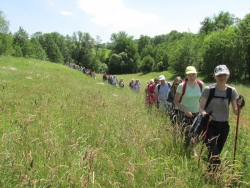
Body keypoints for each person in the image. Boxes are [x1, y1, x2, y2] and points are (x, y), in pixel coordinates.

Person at [199, 65, 245, 172]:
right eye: (219, 75)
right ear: (214, 76)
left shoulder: (231, 91)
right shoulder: (208, 90)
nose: (222, 77)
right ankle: (219, 177)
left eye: (224, 75)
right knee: (214, 152)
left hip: (224, 126)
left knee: (216, 152)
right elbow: (201, 107)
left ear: (227, 76)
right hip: (208, 124)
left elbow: (235, 112)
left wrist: (240, 106)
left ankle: (210, 173)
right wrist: (205, 114)